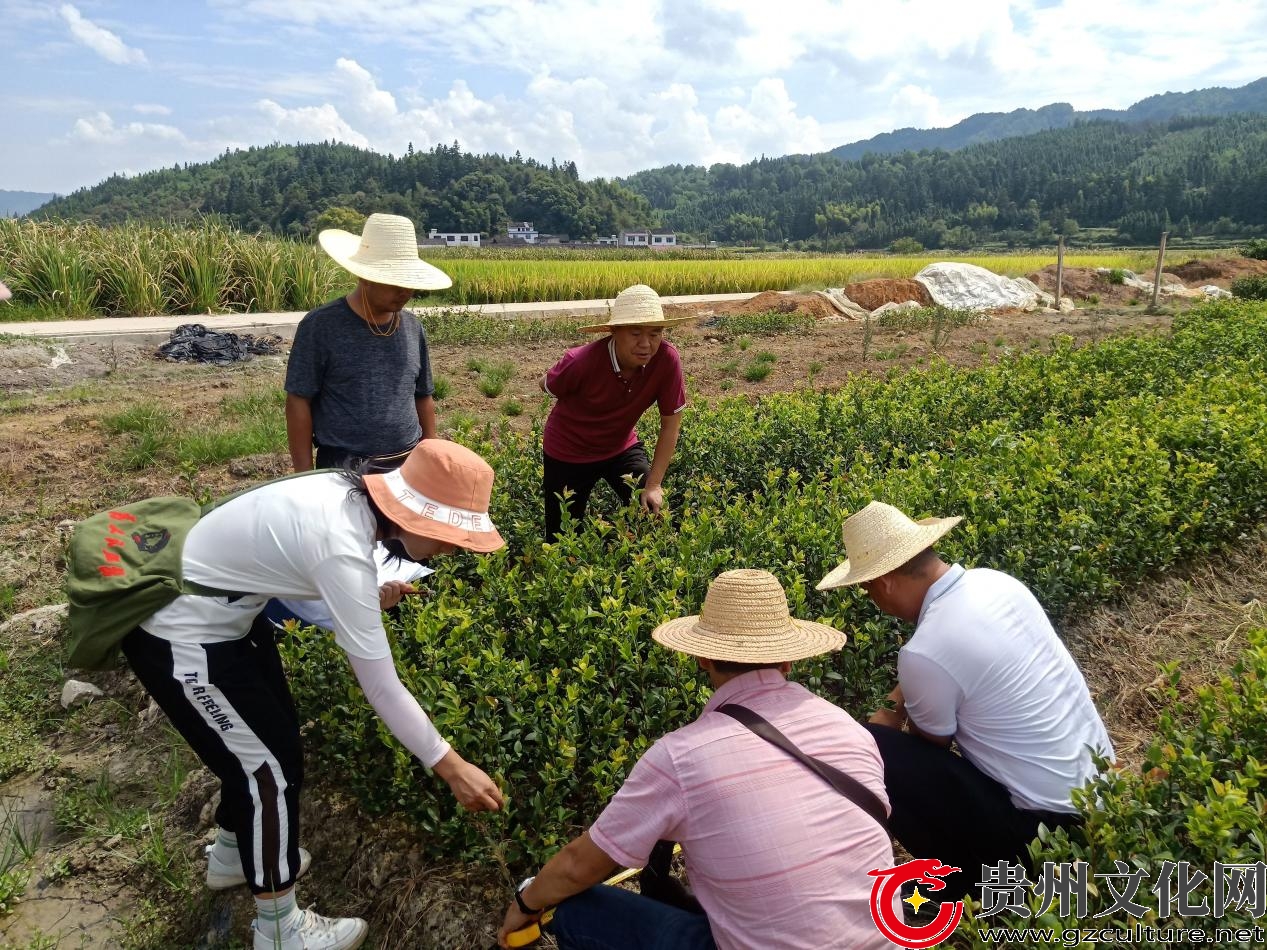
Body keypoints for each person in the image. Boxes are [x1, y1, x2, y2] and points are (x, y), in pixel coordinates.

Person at [122, 440, 506, 950]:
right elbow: (381, 686)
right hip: (182, 635)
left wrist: (367, 599)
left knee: (275, 749)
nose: (453, 549)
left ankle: (235, 855)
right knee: (267, 772)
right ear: (413, 516)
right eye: (450, 536)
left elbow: (310, 583)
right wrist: (452, 766)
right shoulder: (343, 544)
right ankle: (279, 930)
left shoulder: (343, 495)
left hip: (231, 621)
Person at [497, 568, 900, 950]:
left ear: (703, 658)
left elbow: (578, 865)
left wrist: (526, 903)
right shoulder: (847, 728)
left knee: (573, 908)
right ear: (788, 660)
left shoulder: (681, 757)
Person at [816, 501, 1115, 903]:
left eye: (866, 588)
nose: (872, 599)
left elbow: (927, 752)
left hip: (1045, 834)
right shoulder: (995, 582)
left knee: (874, 748)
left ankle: (962, 879)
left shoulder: (926, 651)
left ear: (884, 582)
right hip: (1100, 793)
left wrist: (887, 708)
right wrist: (911, 676)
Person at [285, 213, 450, 474]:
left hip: (407, 466)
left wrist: (431, 453)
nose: (405, 291)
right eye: (395, 281)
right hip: (344, 468)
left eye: (408, 282)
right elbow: (298, 401)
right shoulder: (322, 326)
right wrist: (304, 476)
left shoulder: (412, 327)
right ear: (365, 276)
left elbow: (423, 396)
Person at [539, 283, 694, 540]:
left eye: (655, 334)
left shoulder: (667, 360)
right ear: (614, 331)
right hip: (567, 453)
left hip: (619, 447)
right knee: (561, 538)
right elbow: (547, 385)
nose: (646, 344)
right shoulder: (580, 362)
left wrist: (653, 485)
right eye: (635, 334)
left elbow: (671, 424)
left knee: (654, 513)